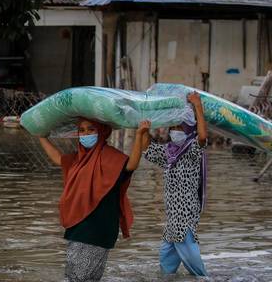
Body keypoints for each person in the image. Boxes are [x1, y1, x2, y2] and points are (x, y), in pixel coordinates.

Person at [38, 117, 150, 282]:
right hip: (78, 227)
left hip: (99, 228)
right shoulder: (78, 159)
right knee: (77, 276)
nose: (85, 134)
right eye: (82, 130)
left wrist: (139, 135)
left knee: (78, 277)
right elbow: (58, 158)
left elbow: (131, 165)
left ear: (102, 132)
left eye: (91, 129)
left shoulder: (111, 156)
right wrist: (41, 136)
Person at [141, 92, 209, 277]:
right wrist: (144, 128)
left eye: (180, 126)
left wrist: (198, 106)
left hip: (185, 217)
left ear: (188, 128)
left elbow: (202, 137)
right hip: (172, 220)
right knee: (165, 266)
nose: (175, 130)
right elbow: (146, 149)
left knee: (195, 267)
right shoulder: (168, 153)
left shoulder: (192, 150)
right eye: (173, 126)